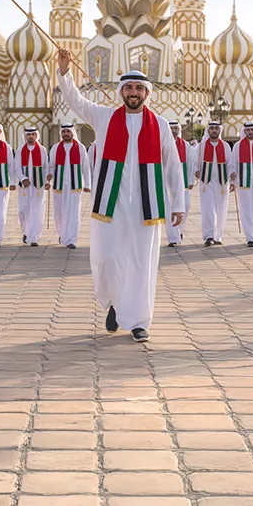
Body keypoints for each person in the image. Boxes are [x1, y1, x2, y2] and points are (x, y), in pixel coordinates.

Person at [57, 51, 184, 340]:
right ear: (121, 92)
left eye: (139, 88)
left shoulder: (161, 126)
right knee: (109, 259)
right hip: (110, 204)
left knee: (141, 262)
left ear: (146, 93)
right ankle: (115, 302)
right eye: (128, 88)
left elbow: (173, 166)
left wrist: (178, 203)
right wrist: (65, 73)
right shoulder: (104, 117)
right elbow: (77, 102)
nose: (133, 93)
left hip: (145, 205)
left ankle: (139, 320)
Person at [46, 123, 90, 248]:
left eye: (68, 132)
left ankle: (71, 240)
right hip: (59, 186)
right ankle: (63, 234)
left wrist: (88, 184)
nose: (66, 134)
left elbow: (85, 167)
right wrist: (49, 176)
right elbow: (52, 165)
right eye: (63, 132)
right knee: (59, 213)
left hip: (75, 186)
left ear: (72, 133)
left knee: (73, 213)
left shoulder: (80, 147)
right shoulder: (55, 148)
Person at [196, 121, 232, 246]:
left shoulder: (226, 146)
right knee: (208, 210)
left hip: (222, 183)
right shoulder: (201, 146)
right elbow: (195, 161)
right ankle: (208, 236)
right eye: (212, 128)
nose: (214, 131)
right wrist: (196, 172)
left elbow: (230, 164)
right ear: (208, 130)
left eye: (216, 128)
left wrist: (232, 180)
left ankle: (218, 236)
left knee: (221, 209)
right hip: (206, 183)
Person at [14, 127, 48, 246]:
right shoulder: (20, 150)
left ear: (36, 135)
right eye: (28, 134)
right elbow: (16, 167)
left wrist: (46, 182)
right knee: (23, 210)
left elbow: (46, 167)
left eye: (33, 134)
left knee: (36, 210)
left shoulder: (42, 150)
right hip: (24, 187)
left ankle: (34, 237)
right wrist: (23, 178)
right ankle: (27, 231)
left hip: (38, 186)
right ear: (25, 136)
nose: (31, 136)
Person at [164, 121, 194, 247]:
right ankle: (173, 237)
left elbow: (190, 163)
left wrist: (190, 179)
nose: (173, 131)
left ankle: (179, 230)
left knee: (185, 206)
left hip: (182, 180)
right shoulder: (163, 143)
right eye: (171, 128)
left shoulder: (185, 145)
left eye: (175, 128)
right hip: (166, 180)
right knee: (168, 208)